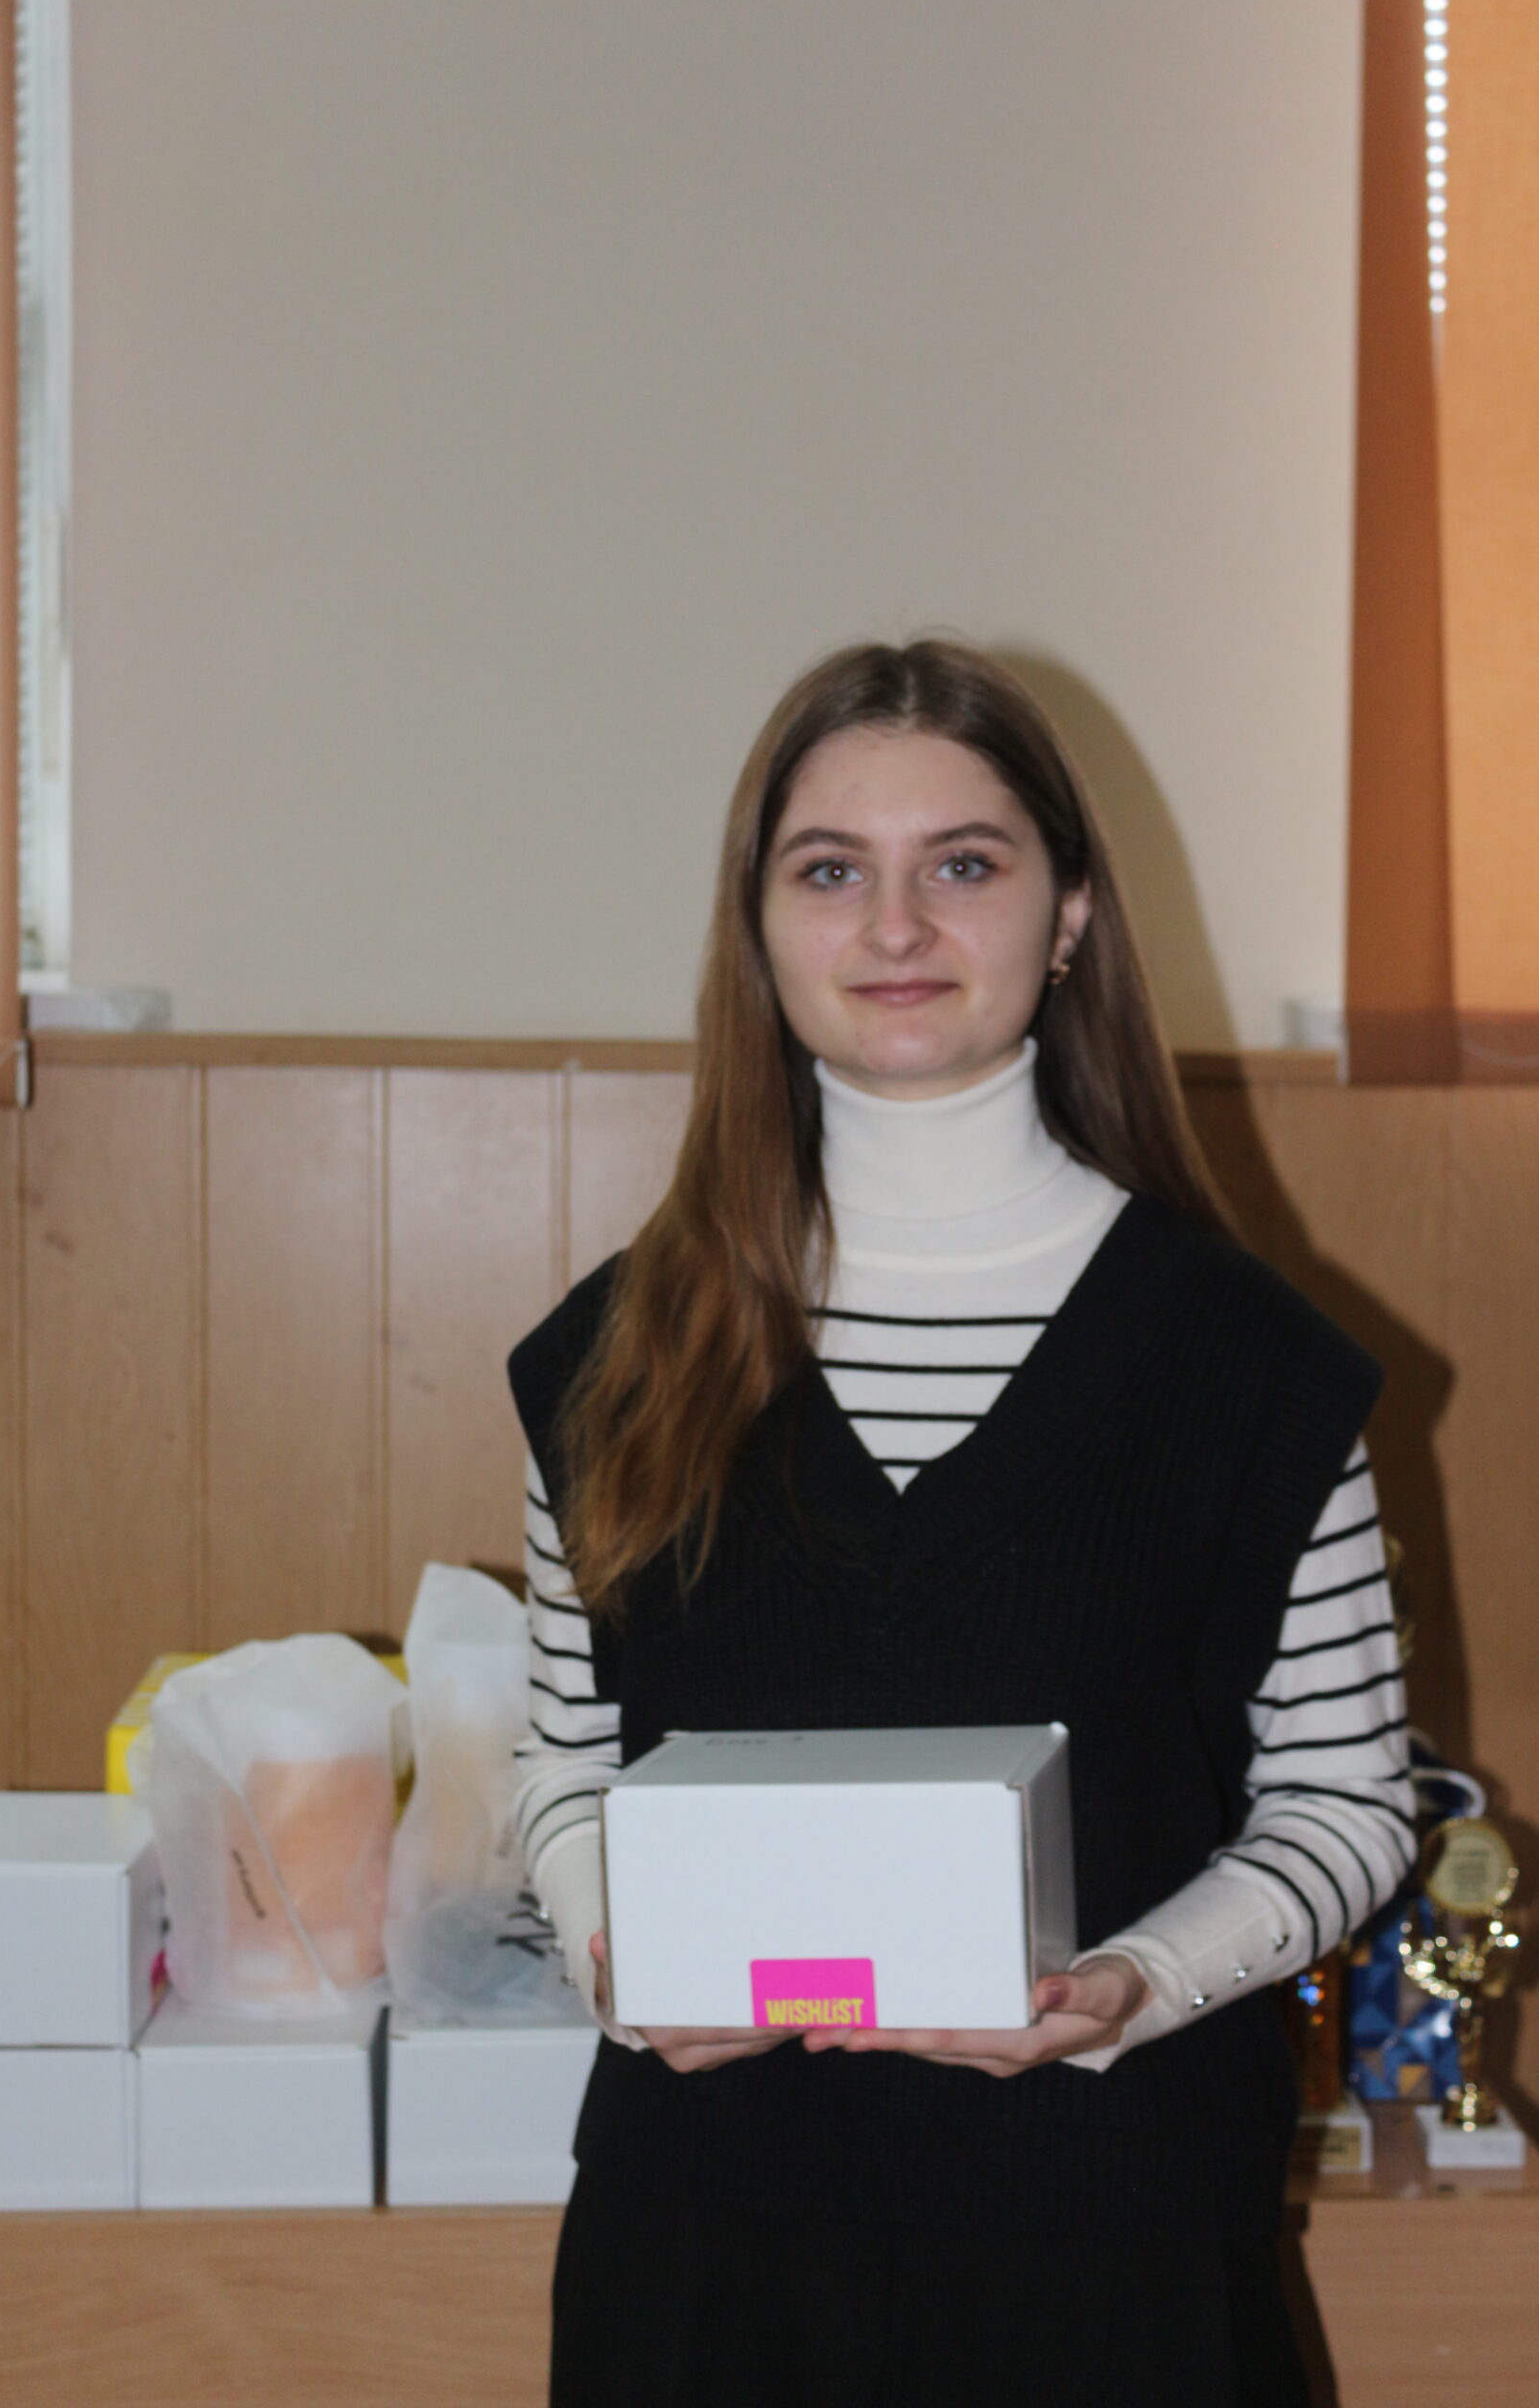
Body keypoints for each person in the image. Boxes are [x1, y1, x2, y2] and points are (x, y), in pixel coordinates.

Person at [508, 638, 1414, 2408]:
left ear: (1067, 916)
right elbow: (565, 1758)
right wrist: (620, 1955)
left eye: (965, 864)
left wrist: (1133, 1983)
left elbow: (1346, 1799)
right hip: (708, 2248)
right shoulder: (618, 1351)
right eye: (831, 870)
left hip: (1113, 2240)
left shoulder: (1249, 1365)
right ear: (760, 929)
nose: (897, 925)